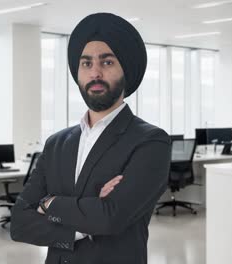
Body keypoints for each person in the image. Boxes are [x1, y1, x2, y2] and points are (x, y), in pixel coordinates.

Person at [10, 12, 171, 264]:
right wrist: (85, 218)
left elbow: (111, 218)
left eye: (106, 63)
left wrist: (48, 203)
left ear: (125, 69)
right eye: (86, 63)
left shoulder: (150, 141)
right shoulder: (56, 144)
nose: (95, 73)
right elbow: (19, 222)